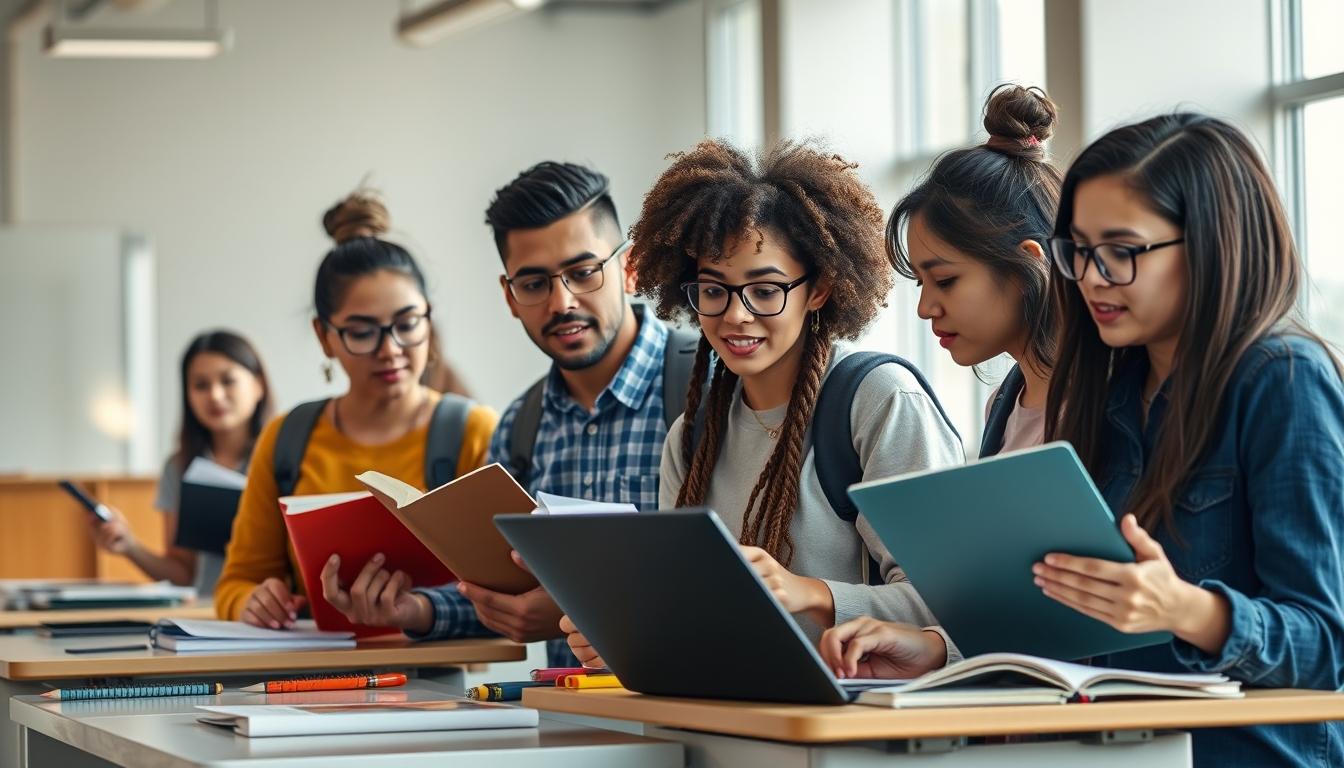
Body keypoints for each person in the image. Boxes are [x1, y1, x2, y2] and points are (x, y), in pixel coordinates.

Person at [564, 139, 964, 673]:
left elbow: (955, 607)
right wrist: (625, 635)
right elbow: (691, 622)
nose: (736, 316)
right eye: (714, 290)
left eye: (765, 290)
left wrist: (812, 593)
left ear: (818, 288)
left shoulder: (879, 401)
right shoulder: (691, 438)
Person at [320, 163, 699, 669]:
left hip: (702, 714)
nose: (562, 302)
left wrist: (570, 608)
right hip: (576, 724)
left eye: (583, 272)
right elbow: (491, 591)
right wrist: (414, 609)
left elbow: (744, 571)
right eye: (535, 283)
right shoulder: (521, 426)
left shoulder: (708, 388)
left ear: (629, 268)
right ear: (509, 296)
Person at [214, 189, 496, 629]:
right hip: (309, 675)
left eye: (407, 325)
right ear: (325, 337)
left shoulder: (473, 431)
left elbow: (505, 596)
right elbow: (236, 582)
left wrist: (420, 610)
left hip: (443, 682)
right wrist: (251, 601)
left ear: (429, 319)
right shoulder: (287, 439)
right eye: (362, 332)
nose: (390, 350)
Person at [88, 330, 271, 597]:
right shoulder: (179, 467)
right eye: (200, 385)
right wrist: (129, 546)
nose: (215, 395)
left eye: (228, 380)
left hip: (276, 617)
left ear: (258, 385)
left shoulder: (286, 455)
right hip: (209, 614)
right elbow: (183, 574)